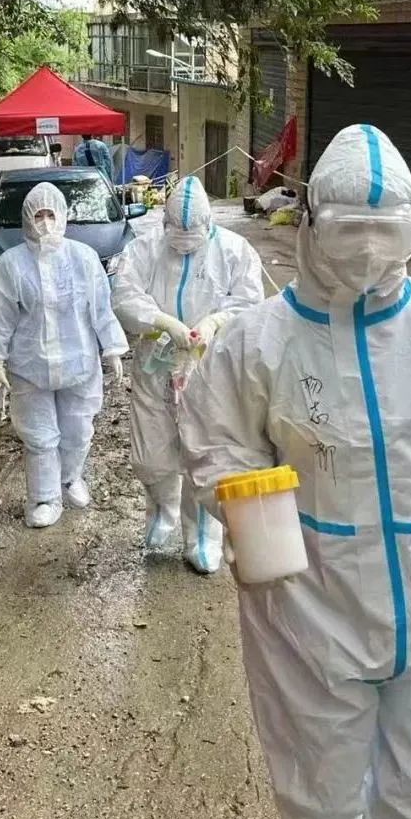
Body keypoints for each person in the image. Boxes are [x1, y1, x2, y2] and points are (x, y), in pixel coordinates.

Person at [178, 125, 411, 819]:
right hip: (309, 607)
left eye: (391, 233)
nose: (372, 251)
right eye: (353, 231)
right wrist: (252, 524)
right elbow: (220, 443)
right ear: (312, 222)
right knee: (321, 798)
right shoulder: (258, 342)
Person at [111, 174, 264, 572]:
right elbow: (124, 294)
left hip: (208, 368)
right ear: (164, 225)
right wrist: (161, 322)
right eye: (175, 236)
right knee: (151, 451)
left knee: (203, 453)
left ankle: (201, 537)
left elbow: (250, 302)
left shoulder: (234, 251)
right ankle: (162, 510)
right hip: (155, 362)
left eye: (191, 238)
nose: (182, 244)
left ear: (208, 225)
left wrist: (214, 323)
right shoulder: (144, 249)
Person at [0, 182, 128, 529]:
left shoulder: (84, 258)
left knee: (78, 430)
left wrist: (112, 347)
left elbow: (101, 307)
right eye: (39, 216)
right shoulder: (11, 265)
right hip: (29, 366)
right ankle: (44, 498)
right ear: (27, 219)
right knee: (39, 437)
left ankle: (70, 480)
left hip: (79, 362)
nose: (46, 223)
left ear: (63, 216)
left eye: (52, 215)